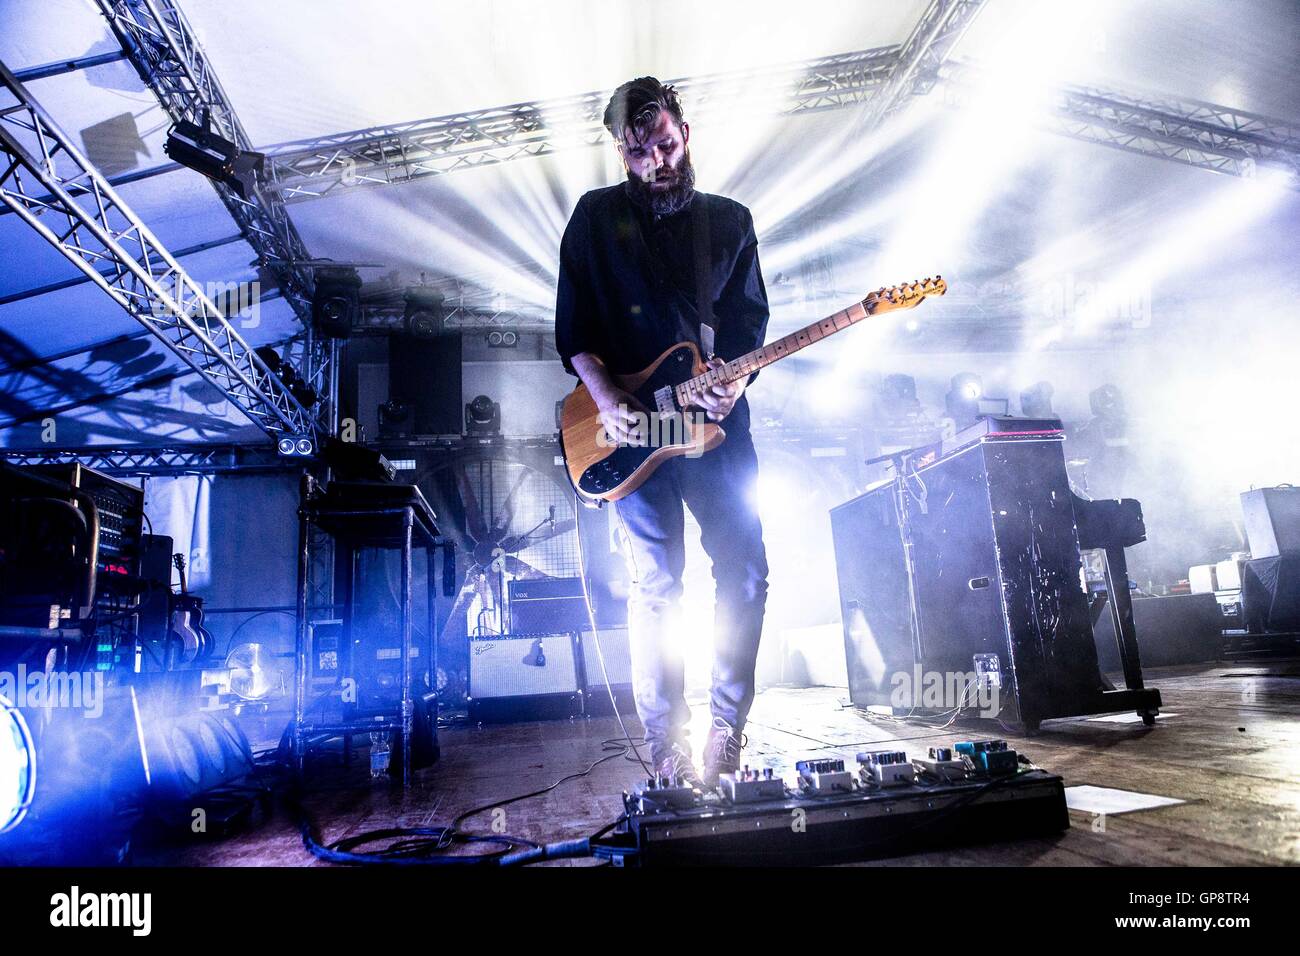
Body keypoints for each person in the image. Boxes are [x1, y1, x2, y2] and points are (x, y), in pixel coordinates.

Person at [554, 76, 770, 787]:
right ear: (622, 152)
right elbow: (574, 329)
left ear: (686, 135)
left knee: (743, 571)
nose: (659, 162)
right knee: (657, 588)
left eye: (668, 144)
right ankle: (666, 740)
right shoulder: (592, 220)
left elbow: (746, 328)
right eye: (642, 151)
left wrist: (737, 377)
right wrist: (605, 393)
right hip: (627, 436)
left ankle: (726, 728)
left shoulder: (730, 222)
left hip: (714, 427)